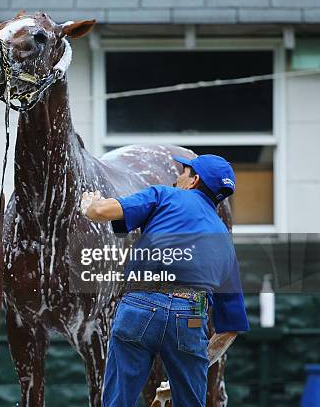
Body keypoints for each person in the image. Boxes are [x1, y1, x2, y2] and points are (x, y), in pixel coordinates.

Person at [80, 154, 249, 407]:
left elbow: (102, 211)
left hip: (139, 307)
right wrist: (196, 363)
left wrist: (89, 204)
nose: (177, 176)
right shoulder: (224, 238)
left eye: (183, 171)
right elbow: (228, 330)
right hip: (191, 316)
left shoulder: (163, 195)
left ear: (194, 180)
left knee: (118, 401)